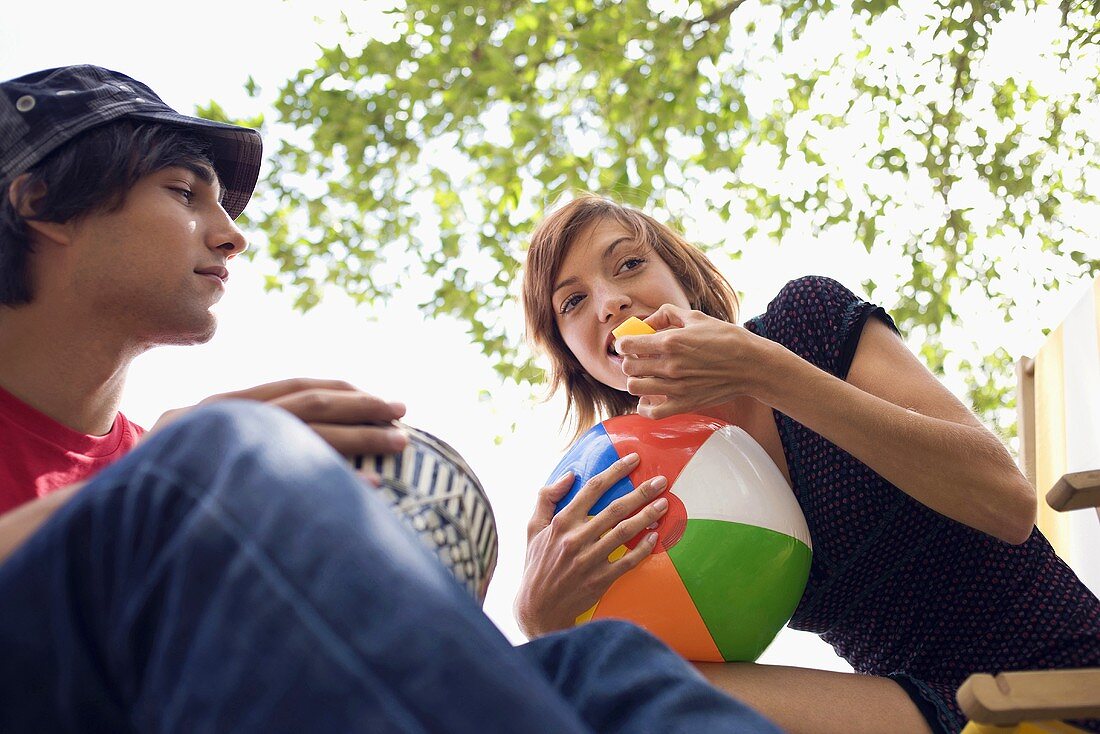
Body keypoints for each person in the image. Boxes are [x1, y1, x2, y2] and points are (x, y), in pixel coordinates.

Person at [0, 66, 785, 733]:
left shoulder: (164, 462)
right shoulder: (181, 467)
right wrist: (165, 478)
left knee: (593, 664)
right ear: (41, 203)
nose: (230, 233)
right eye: (184, 193)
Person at [516, 193, 1100, 734]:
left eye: (627, 265)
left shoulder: (803, 325)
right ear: (573, 355)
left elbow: (1009, 504)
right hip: (921, 709)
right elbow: (655, 679)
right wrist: (544, 623)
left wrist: (763, 371)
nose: (609, 301)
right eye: (573, 301)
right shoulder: (631, 478)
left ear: (681, 278)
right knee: (586, 680)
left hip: (1058, 673)